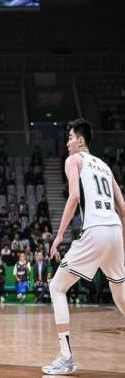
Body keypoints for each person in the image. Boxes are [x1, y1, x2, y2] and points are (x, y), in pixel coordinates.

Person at [43, 118, 125, 375]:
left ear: (80, 141)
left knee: (57, 287)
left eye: (70, 138)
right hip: (115, 230)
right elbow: (123, 207)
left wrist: (59, 235)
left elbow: (75, 196)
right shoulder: (105, 166)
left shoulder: (74, 160)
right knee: (121, 296)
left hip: (96, 230)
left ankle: (66, 357)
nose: (67, 143)